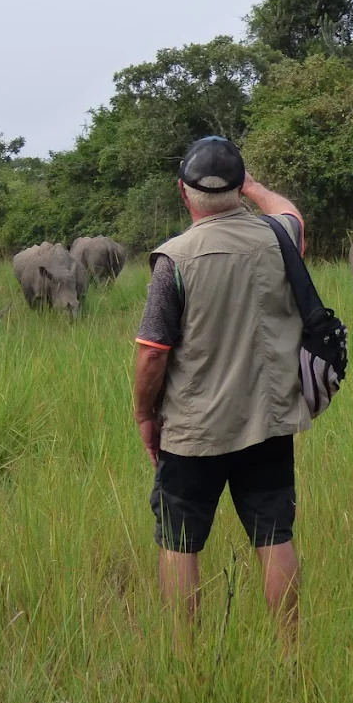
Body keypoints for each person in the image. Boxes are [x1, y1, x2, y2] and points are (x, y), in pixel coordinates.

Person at [133, 136, 308, 636]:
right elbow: (290, 212)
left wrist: (146, 416)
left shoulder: (173, 259)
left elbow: (152, 353)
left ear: (183, 193)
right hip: (268, 421)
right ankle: (289, 653)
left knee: (179, 542)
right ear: (237, 188)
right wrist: (253, 186)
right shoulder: (279, 239)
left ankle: (186, 659)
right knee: (275, 536)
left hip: (193, 430)